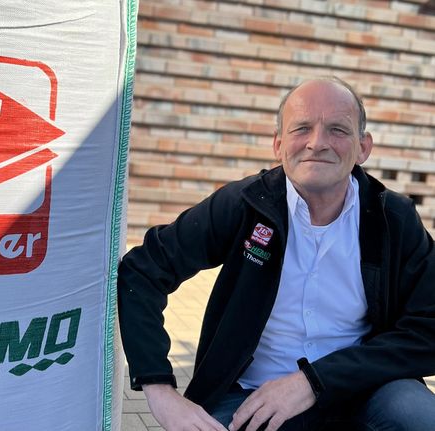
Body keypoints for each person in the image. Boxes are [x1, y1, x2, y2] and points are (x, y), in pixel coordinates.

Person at [117, 77, 435, 431]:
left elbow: (428, 328)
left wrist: (313, 381)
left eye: (337, 129)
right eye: (302, 128)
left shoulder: (393, 219)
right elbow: (142, 270)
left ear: (363, 147)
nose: (317, 142)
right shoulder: (244, 205)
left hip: (365, 390)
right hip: (252, 396)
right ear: (278, 144)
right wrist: (159, 389)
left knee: (421, 416)